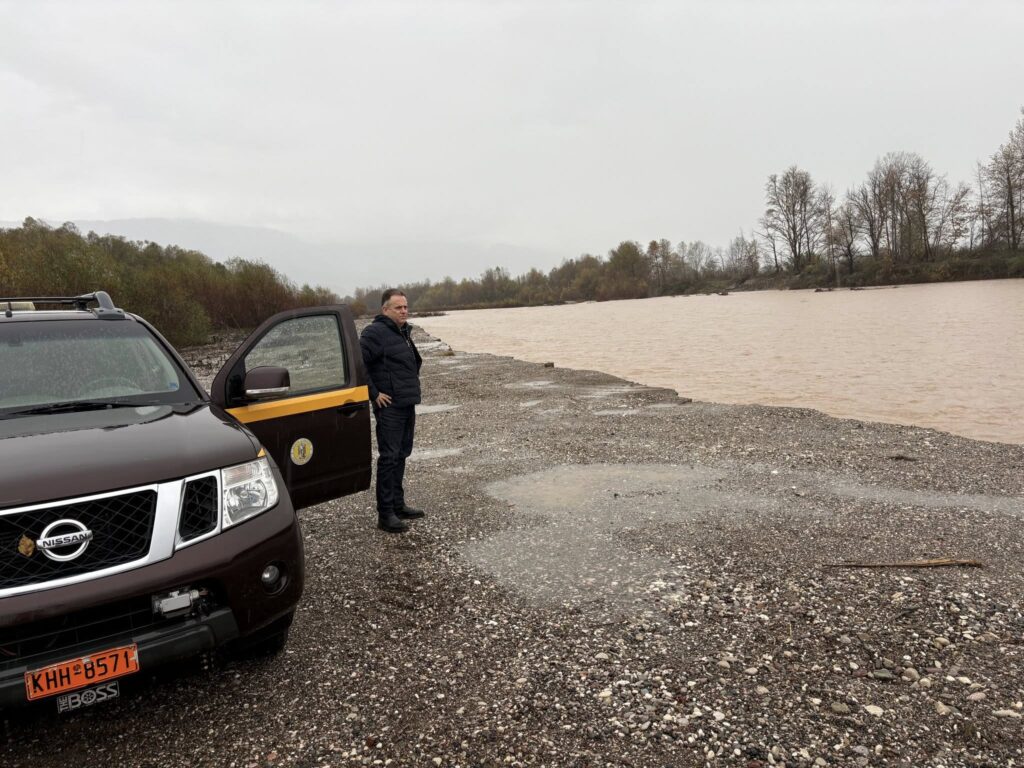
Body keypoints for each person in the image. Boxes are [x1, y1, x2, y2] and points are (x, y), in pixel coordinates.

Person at [359, 289, 424, 533]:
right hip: (389, 407)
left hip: (406, 402)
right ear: (385, 310)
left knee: (402, 454)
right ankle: (385, 514)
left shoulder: (402, 331)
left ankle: (398, 505)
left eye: (406, 307)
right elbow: (358, 362)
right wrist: (374, 394)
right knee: (389, 457)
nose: (404, 311)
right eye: (398, 307)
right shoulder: (375, 333)